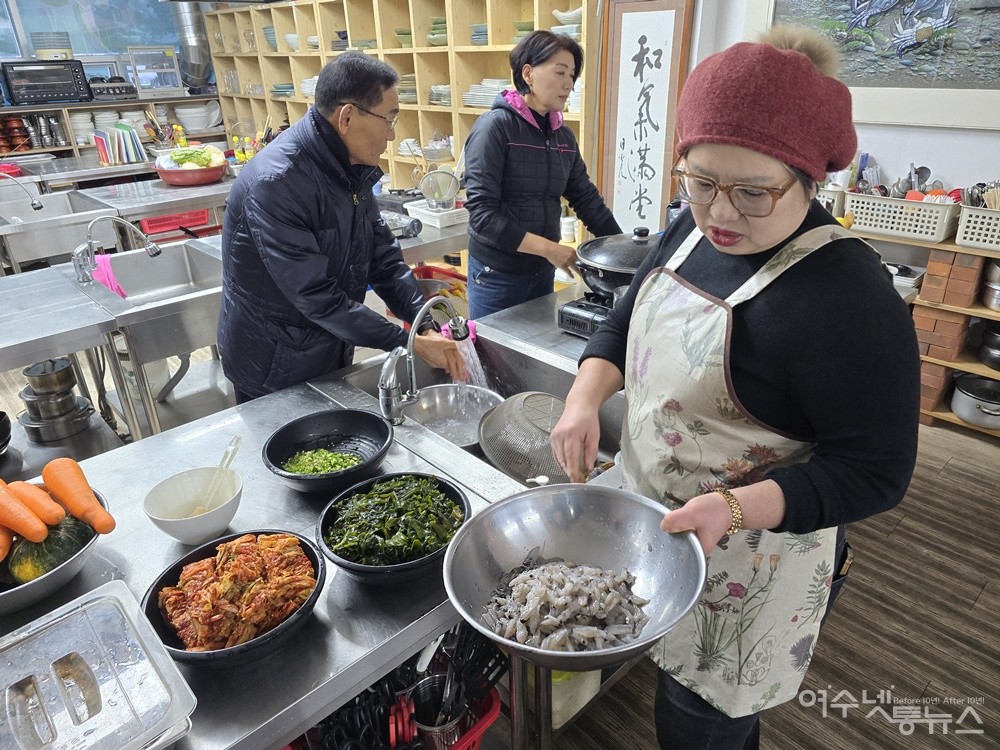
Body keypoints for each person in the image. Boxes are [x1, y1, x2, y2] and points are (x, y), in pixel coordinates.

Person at [550, 26, 920, 749]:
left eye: (753, 192)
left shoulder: (849, 298)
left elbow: (876, 472)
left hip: (756, 559)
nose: (720, 212)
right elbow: (624, 321)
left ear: (810, 179)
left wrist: (735, 505)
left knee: (701, 719)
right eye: (700, 181)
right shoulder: (689, 230)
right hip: (653, 528)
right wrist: (583, 399)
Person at [217, 53, 463, 402]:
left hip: (325, 347)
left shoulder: (348, 167)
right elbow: (317, 298)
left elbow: (383, 259)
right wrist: (407, 341)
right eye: (389, 119)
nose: (392, 134)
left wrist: (423, 323)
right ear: (347, 117)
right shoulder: (277, 183)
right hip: (273, 365)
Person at [462, 30, 622, 319]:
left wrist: (624, 252)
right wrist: (549, 249)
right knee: (492, 348)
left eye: (572, 75)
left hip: (541, 272)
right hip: (497, 274)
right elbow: (482, 217)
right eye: (560, 72)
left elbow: (586, 200)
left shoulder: (563, 136)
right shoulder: (494, 128)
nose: (568, 84)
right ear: (528, 73)